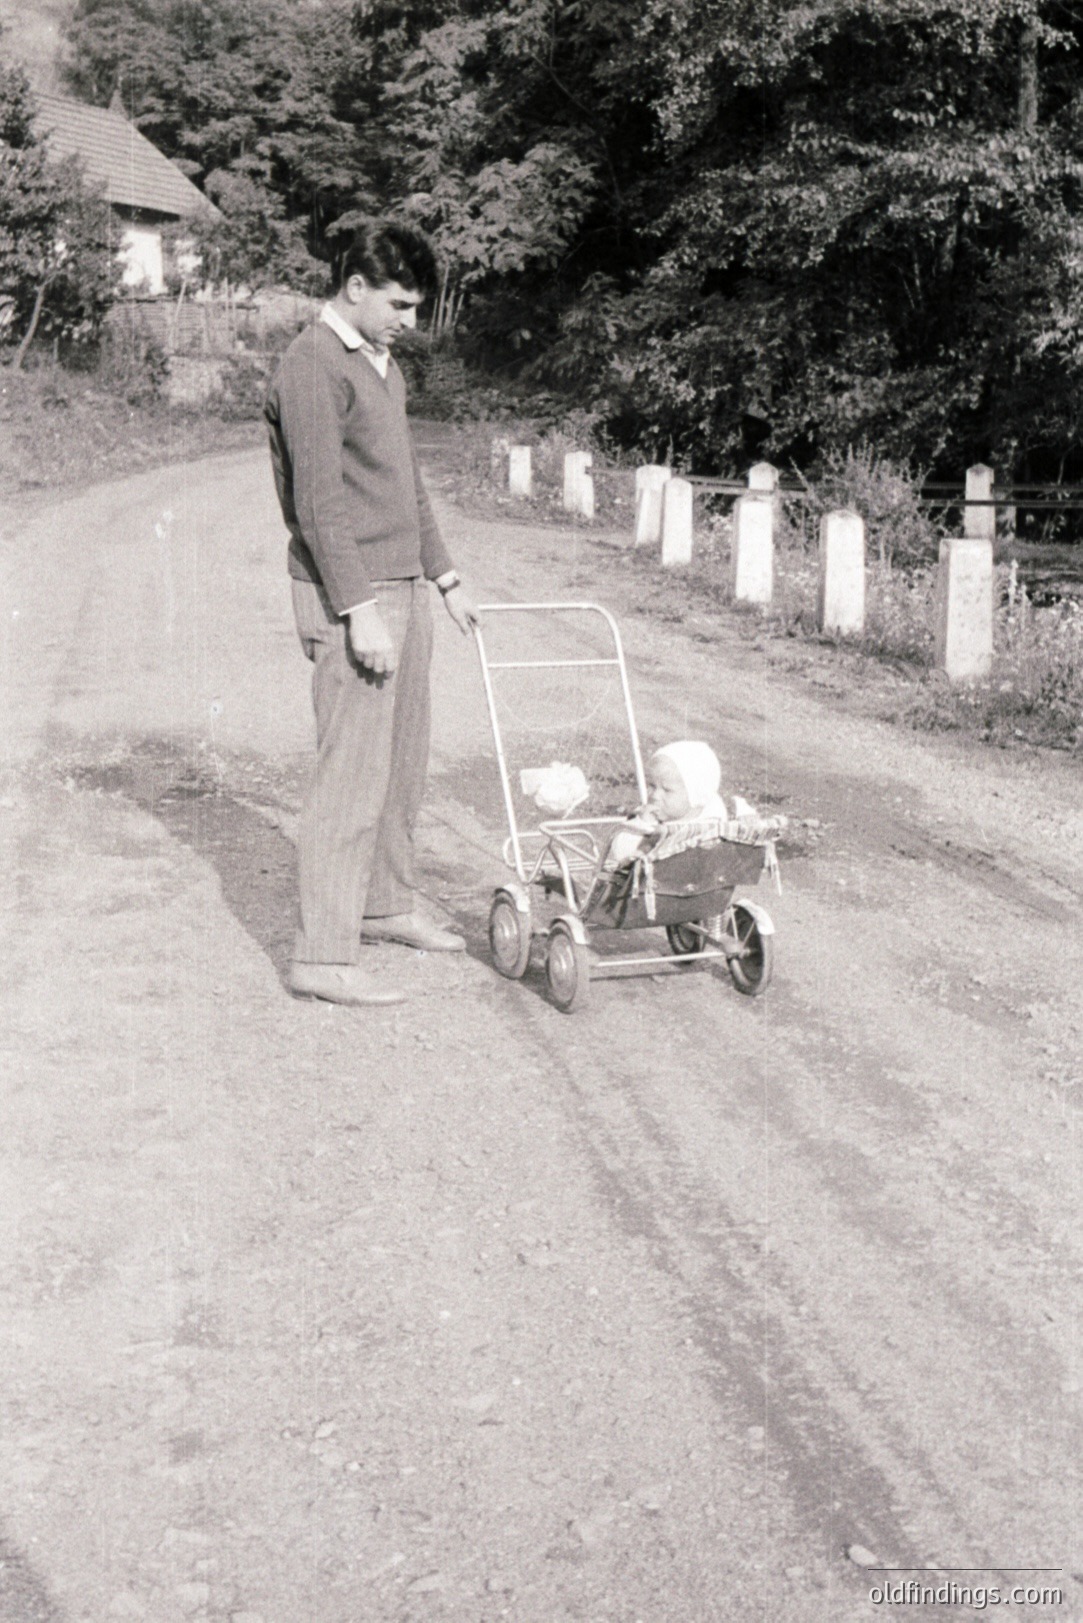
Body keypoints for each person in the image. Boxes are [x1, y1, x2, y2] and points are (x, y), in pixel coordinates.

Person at [264, 219, 478, 1007]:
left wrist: (445, 575)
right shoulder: (312, 366)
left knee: (400, 766)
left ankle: (384, 905)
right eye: (399, 304)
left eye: (415, 307)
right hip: (350, 592)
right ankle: (321, 955)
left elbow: (405, 484)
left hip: (403, 586)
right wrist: (358, 610)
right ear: (353, 287)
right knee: (349, 778)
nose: (409, 322)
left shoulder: (379, 362)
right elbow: (319, 506)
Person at [605, 741, 734, 869]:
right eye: (652, 786)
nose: (655, 796)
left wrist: (643, 823)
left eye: (667, 790)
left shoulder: (658, 828)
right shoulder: (714, 819)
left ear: (694, 794)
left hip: (655, 885)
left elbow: (621, 854)